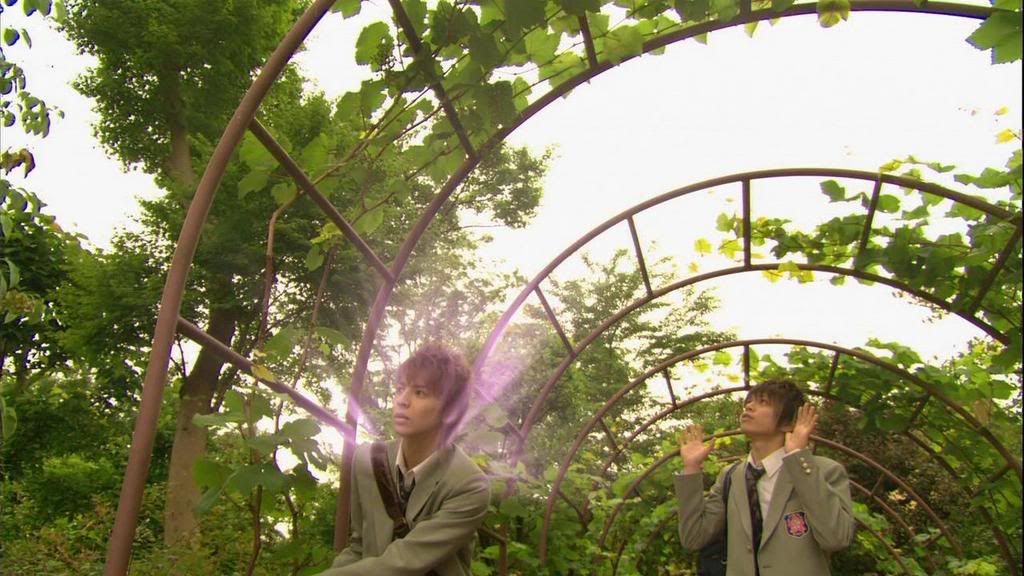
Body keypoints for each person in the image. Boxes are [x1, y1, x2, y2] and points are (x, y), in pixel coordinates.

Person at [317, 343, 490, 576]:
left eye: (420, 393)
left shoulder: (468, 485)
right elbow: (359, 547)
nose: (402, 400)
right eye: (400, 389)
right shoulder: (367, 460)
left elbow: (403, 563)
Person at [675, 379, 855, 576]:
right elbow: (694, 538)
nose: (749, 407)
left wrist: (798, 458)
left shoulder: (821, 471)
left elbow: (837, 538)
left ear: (788, 423)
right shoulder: (731, 476)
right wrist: (691, 468)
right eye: (748, 402)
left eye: (763, 402)